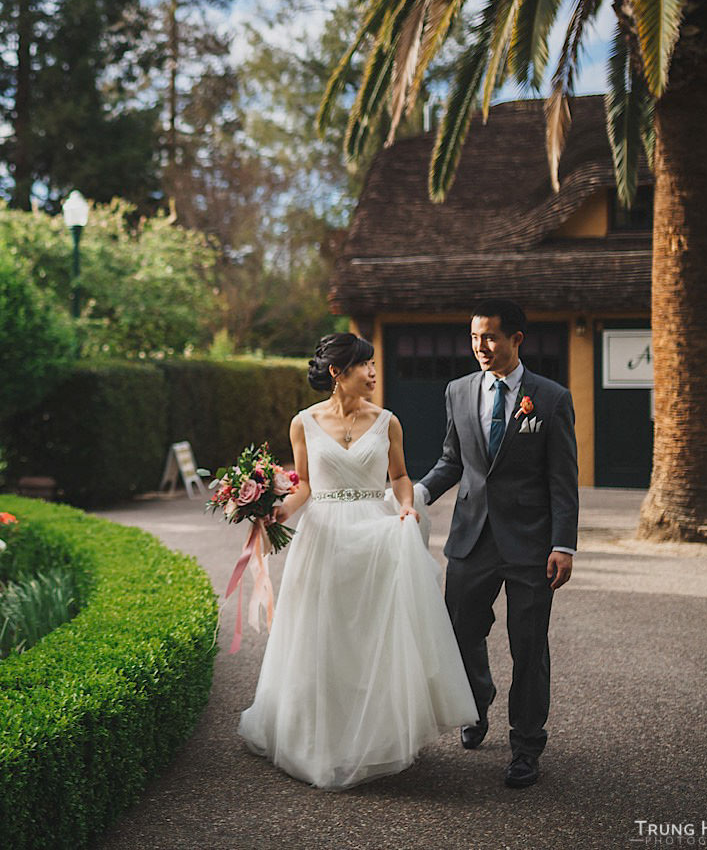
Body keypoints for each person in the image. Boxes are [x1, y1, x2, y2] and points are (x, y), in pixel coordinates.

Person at [237, 332, 477, 790]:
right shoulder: (302, 422)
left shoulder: (388, 421)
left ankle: (376, 739)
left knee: (370, 640)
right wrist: (277, 511)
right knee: (323, 639)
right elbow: (303, 484)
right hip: (323, 538)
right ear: (337, 373)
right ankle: (322, 740)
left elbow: (401, 476)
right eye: (365, 365)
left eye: (373, 365)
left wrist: (406, 506)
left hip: (375, 535)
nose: (373, 373)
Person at [416, 298, 579, 789]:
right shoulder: (458, 391)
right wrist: (417, 495)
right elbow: (452, 460)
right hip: (471, 538)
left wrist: (563, 544)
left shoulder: (550, 399)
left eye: (488, 337)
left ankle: (526, 747)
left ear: (516, 340)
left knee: (529, 646)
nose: (479, 347)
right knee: (461, 632)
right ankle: (476, 702)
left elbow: (563, 480)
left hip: (531, 545)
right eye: (473, 337)